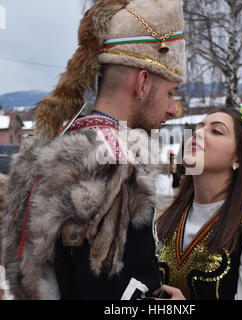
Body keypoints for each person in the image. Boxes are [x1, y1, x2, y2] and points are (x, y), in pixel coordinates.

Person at [1, 0, 185, 300]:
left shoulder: (60, 143)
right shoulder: (116, 160)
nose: (172, 109)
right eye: (170, 93)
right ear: (142, 82)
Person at [156, 105, 242, 300]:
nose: (197, 133)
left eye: (216, 131)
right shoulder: (171, 218)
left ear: (238, 157)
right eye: (198, 127)